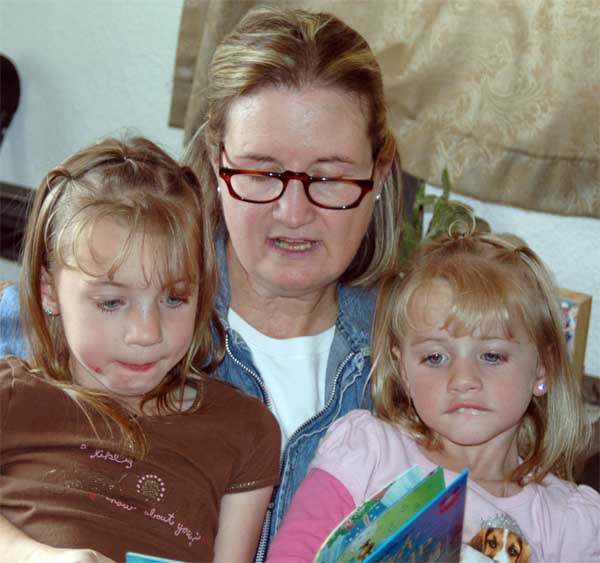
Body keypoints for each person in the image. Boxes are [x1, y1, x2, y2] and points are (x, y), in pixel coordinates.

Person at [0, 7, 405, 558]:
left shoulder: (422, 363)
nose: (293, 212)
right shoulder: (50, 318)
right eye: (262, 172)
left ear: (378, 173)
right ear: (217, 162)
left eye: (329, 177)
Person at [0, 137, 280, 563]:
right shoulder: (11, 394)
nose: (147, 333)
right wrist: (35, 557)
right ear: (49, 292)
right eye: (112, 302)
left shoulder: (246, 431)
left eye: (174, 298)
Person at [268, 229, 600, 562]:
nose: (463, 379)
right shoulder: (369, 453)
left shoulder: (568, 526)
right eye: (435, 358)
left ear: (542, 369)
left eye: (492, 356)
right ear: (404, 371)